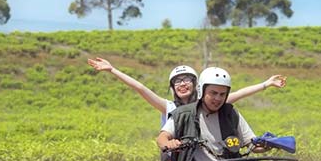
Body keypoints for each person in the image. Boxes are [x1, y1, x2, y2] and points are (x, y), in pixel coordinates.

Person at [155, 66, 260, 161]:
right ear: (202, 90)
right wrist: (169, 144)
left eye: (222, 94)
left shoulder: (231, 113)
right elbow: (162, 137)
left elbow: (251, 143)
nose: (218, 98)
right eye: (213, 93)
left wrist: (264, 144)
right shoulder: (183, 114)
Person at [86, 57, 285, 125]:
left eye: (187, 80)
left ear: (196, 84)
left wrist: (266, 84)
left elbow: (240, 93)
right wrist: (112, 70)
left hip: (209, 158)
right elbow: (140, 88)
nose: (182, 84)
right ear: (172, 87)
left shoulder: (208, 102)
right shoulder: (168, 107)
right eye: (177, 82)